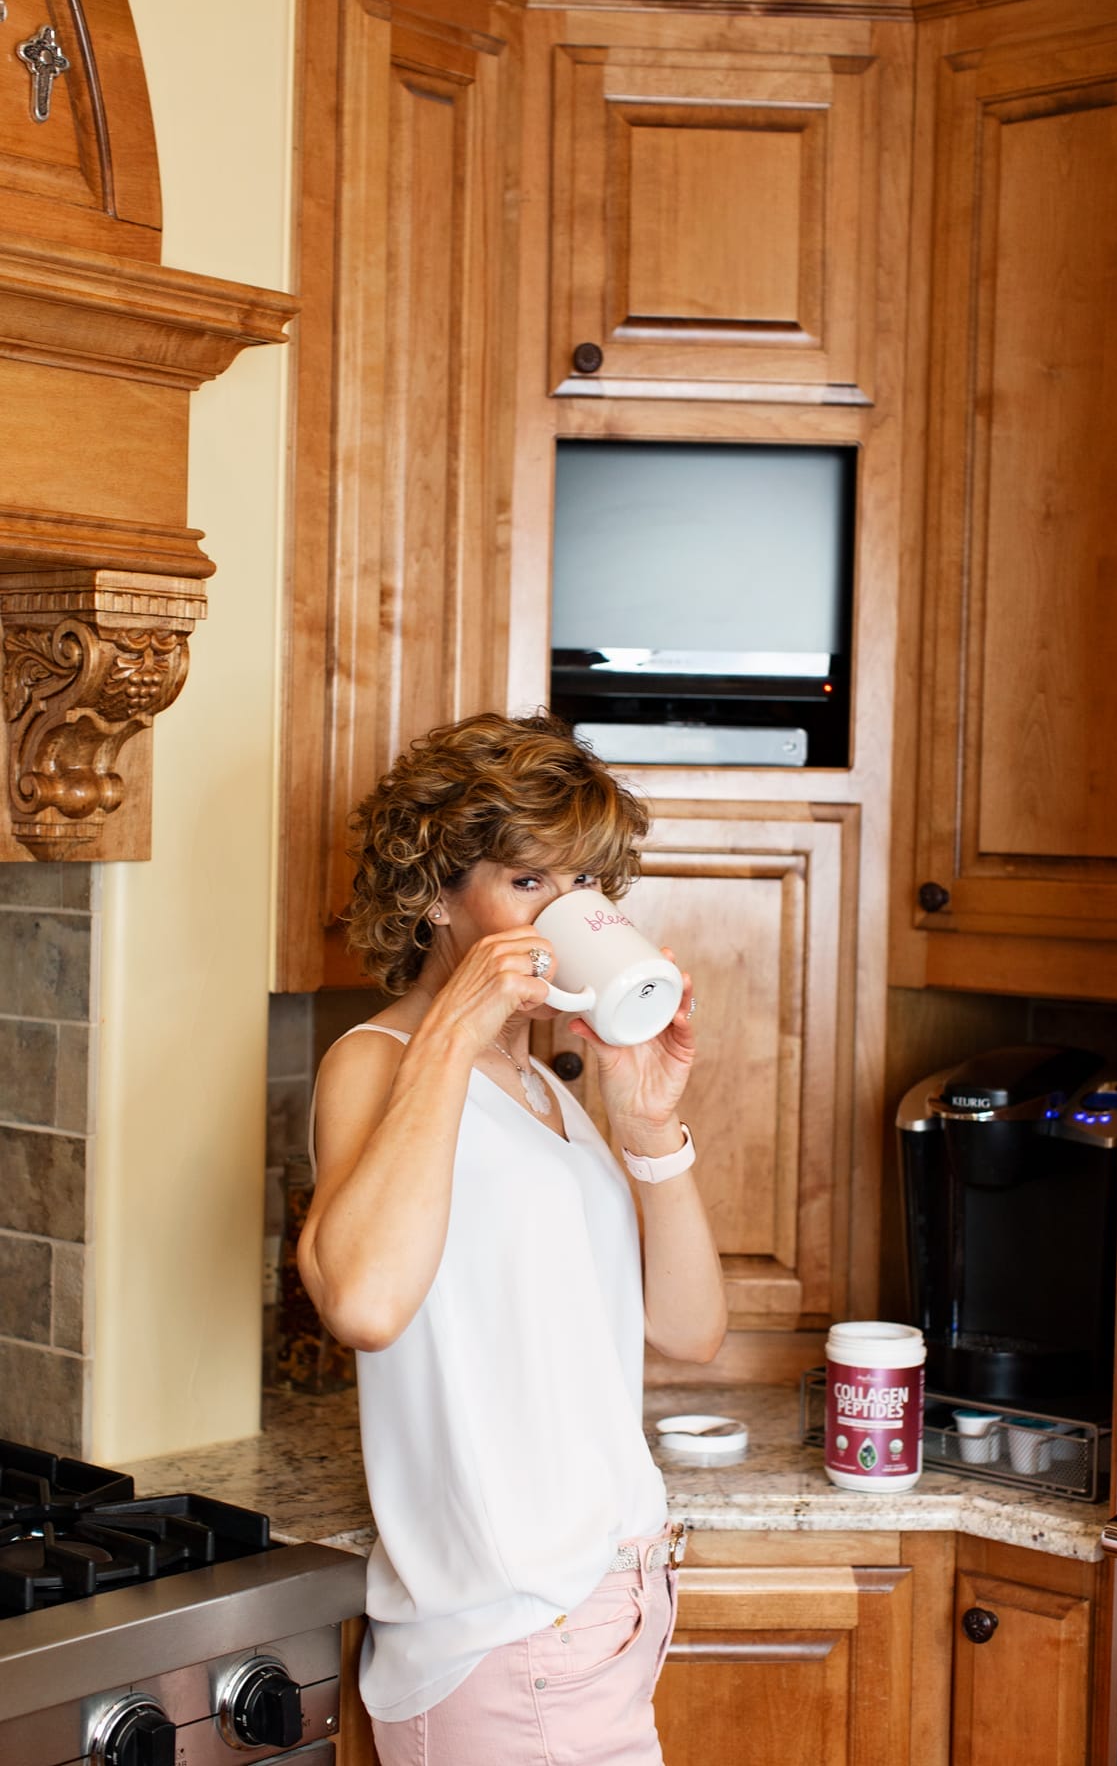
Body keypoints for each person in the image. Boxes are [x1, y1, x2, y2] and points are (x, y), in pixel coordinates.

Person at [299, 710, 727, 1766]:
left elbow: (688, 1331)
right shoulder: (377, 1063)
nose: (568, 912)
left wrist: (646, 1129)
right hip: (511, 1634)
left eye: (587, 888)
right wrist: (457, 1017)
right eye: (530, 882)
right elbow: (362, 1303)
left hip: (608, 1615)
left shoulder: (545, 1083)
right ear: (438, 892)